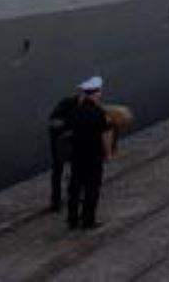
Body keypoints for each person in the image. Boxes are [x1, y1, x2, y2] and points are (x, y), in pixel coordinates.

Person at [64, 76, 114, 231]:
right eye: (99, 91)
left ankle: (72, 220)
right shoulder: (98, 113)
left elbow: (68, 130)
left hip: (77, 155)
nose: (100, 94)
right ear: (96, 93)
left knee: (75, 187)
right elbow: (105, 135)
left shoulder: (75, 111)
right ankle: (88, 220)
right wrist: (108, 153)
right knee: (92, 187)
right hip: (93, 155)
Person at [47, 84, 81, 214]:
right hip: (60, 140)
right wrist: (68, 127)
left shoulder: (84, 105)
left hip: (70, 140)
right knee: (58, 169)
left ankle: (71, 195)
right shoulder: (67, 104)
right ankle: (56, 200)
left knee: (73, 169)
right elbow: (54, 122)